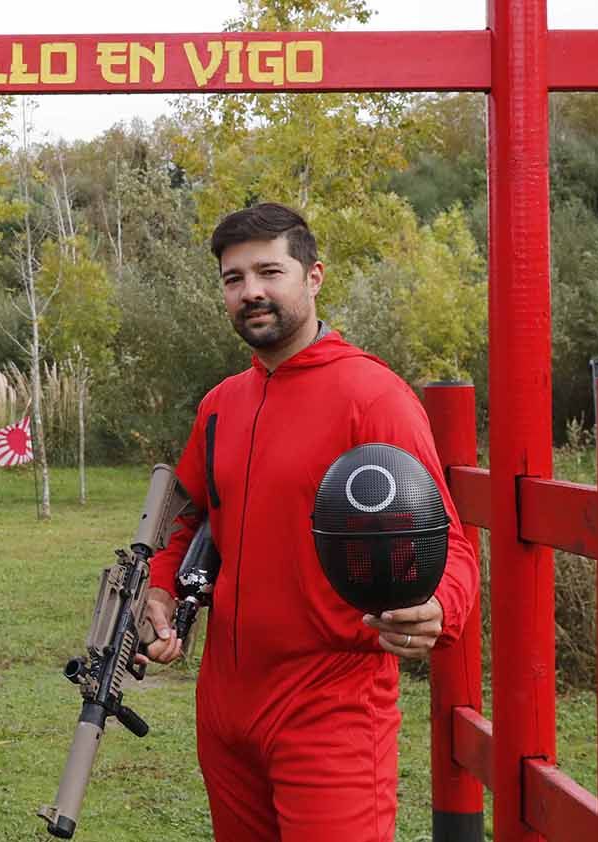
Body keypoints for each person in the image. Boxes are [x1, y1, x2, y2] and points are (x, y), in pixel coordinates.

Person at [141, 203, 478, 841]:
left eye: (269, 271)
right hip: (225, 704)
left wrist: (441, 605)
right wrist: (160, 588)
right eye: (233, 278)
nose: (251, 292)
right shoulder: (220, 405)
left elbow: (449, 541)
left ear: (313, 276)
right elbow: (182, 517)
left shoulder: (372, 396)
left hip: (331, 703)